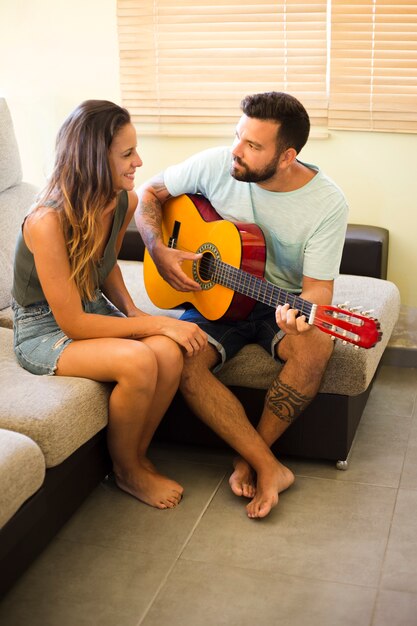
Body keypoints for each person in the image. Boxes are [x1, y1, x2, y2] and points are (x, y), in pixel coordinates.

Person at [135, 91, 349, 519]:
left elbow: (319, 289)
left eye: (253, 145)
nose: (237, 150)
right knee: (181, 358)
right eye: (238, 136)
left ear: (286, 156)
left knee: (317, 346)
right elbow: (148, 195)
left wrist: (300, 313)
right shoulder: (217, 163)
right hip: (213, 300)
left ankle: (252, 456)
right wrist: (158, 249)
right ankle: (270, 467)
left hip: (276, 303)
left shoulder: (328, 203)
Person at [12, 100, 207, 510]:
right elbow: (73, 325)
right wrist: (156, 324)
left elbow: (105, 267)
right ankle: (127, 471)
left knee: (168, 355)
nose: (139, 161)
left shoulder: (123, 200)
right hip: (46, 328)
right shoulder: (44, 221)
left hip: (91, 306)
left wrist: (135, 313)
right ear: (92, 159)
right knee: (139, 359)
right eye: (126, 154)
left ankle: (136, 454)